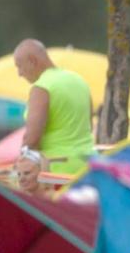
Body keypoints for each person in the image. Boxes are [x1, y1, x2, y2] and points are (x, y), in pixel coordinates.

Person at [13, 40, 95, 175]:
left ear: (32, 61)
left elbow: (32, 139)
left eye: (19, 66)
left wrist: (20, 166)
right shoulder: (79, 80)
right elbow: (89, 126)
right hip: (88, 165)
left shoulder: (42, 87)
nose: (19, 73)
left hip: (57, 168)